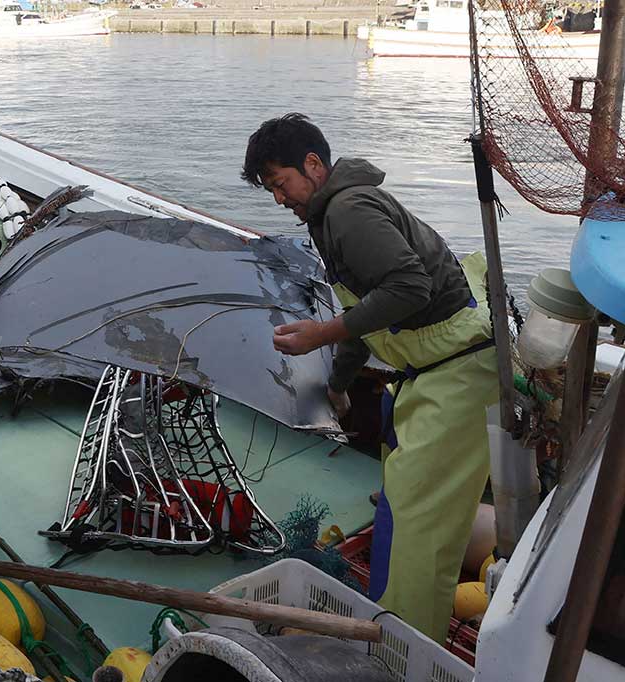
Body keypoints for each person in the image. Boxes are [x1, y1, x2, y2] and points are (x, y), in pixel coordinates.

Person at [242, 113, 499, 643]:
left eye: (280, 184)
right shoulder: (330, 214)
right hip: (430, 370)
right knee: (404, 507)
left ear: (313, 165)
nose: (278, 199)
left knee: (415, 528)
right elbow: (368, 310)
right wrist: (339, 382)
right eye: (270, 190)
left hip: (458, 371)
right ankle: (401, 628)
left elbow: (408, 288)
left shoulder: (349, 211)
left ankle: (407, 652)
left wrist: (319, 334)